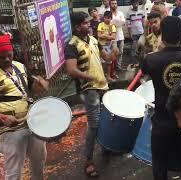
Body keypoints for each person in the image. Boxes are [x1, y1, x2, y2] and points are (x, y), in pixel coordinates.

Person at [141, 16, 181, 180]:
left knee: (159, 163)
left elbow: (143, 74)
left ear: (162, 34)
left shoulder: (150, 59)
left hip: (161, 121)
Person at [0, 34, 49, 180]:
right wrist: (2, 117)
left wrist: (40, 84)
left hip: (30, 123)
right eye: (1, 57)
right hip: (8, 129)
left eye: (9, 56)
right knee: (14, 171)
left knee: (39, 159)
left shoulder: (19, 66)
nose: (6, 60)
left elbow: (30, 88)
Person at [65, 12, 109, 177]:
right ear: (77, 27)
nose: (89, 25)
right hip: (88, 89)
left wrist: (112, 56)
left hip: (102, 86)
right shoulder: (72, 45)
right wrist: (87, 76)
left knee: (105, 118)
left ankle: (106, 146)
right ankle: (88, 160)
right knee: (94, 124)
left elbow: (105, 57)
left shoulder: (93, 40)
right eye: (85, 23)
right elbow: (71, 70)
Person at [98, 11, 119, 81]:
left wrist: (104, 35)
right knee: (101, 62)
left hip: (109, 46)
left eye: (109, 18)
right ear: (103, 18)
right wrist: (107, 36)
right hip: (101, 46)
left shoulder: (111, 26)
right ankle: (101, 77)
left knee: (109, 62)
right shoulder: (100, 25)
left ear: (111, 18)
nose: (107, 19)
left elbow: (113, 37)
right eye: (106, 18)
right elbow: (99, 36)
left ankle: (108, 76)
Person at [126, 0, 145, 67]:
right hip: (134, 34)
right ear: (132, 4)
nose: (136, 4)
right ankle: (134, 63)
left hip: (141, 33)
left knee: (142, 48)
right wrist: (130, 33)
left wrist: (144, 32)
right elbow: (128, 24)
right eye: (134, 3)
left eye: (137, 3)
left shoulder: (141, 11)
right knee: (133, 48)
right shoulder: (129, 13)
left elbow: (143, 22)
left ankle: (142, 63)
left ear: (138, 3)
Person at [110, 0, 126, 70]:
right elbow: (109, 25)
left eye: (115, 3)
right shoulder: (108, 14)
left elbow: (123, 22)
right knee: (114, 52)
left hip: (120, 35)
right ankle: (113, 68)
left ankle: (118, 66)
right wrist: (118, 23)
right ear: (110, 5)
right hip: (113, 37)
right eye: (112, 3)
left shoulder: (120, 13)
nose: (114, 5)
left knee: (121, 52)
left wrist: (114, 23)